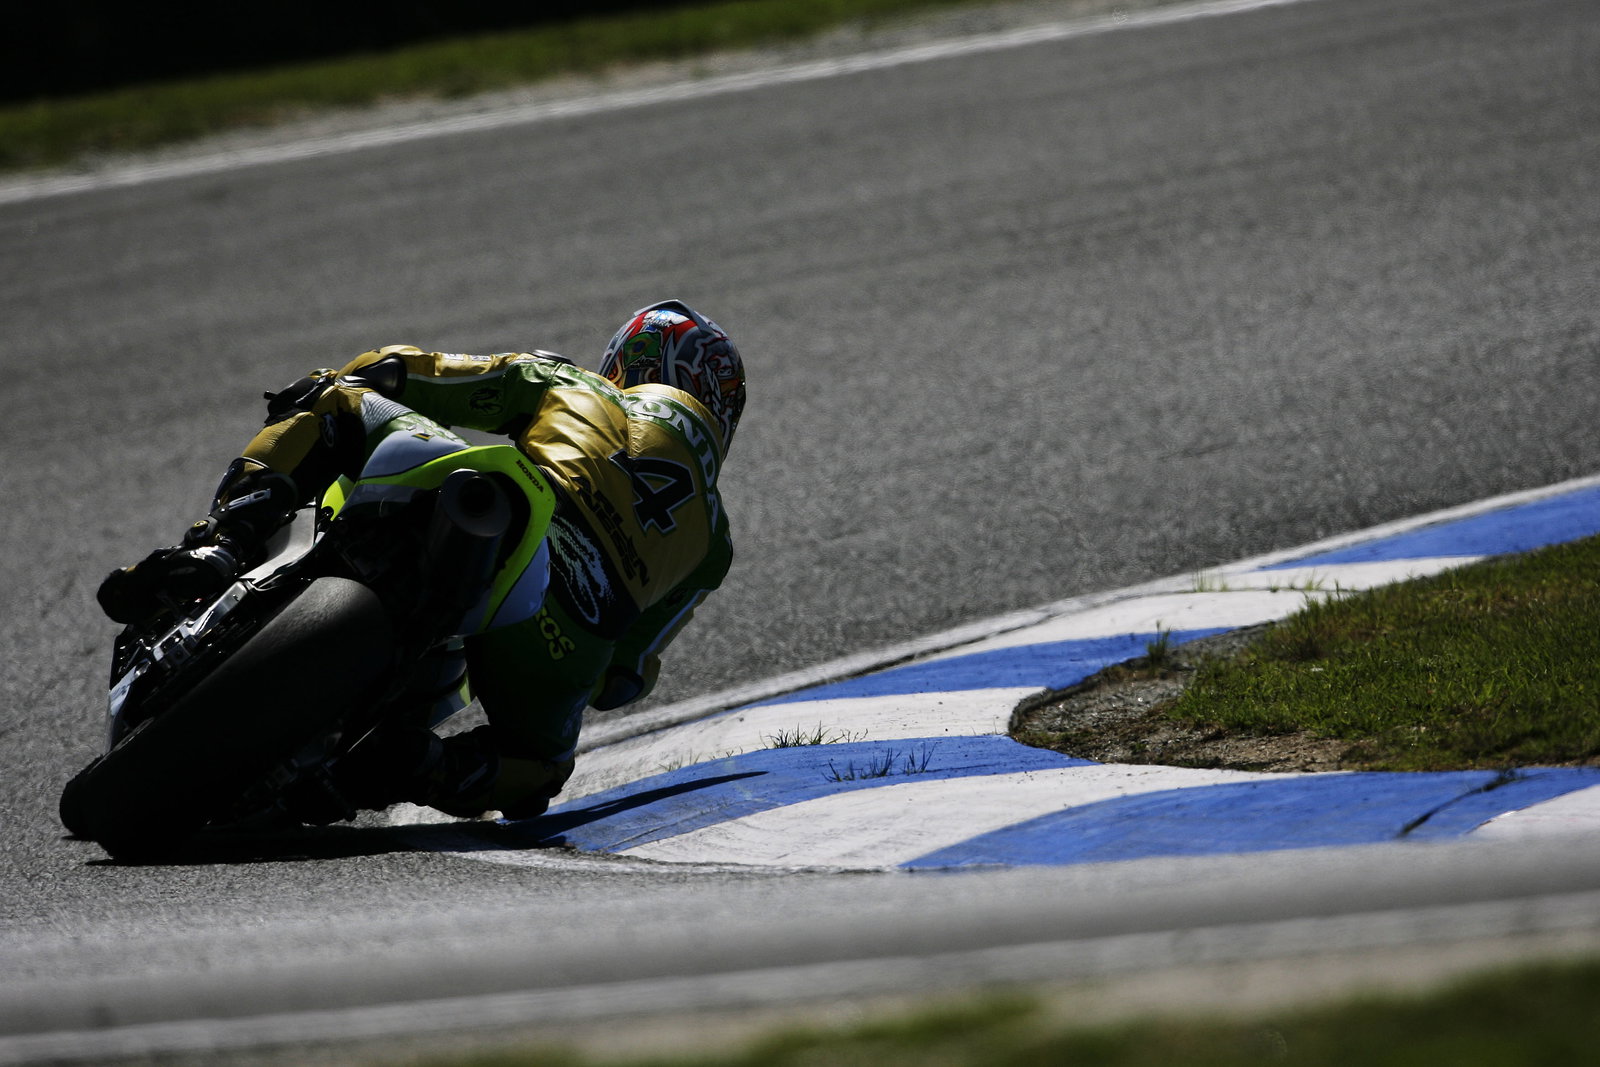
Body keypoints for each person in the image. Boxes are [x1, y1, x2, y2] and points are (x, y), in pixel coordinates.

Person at [96, 300, 745, 821]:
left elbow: (414, 371)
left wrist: (364, 375)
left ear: (629, 360)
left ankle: (224, 540)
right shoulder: (714, 542)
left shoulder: (578, 385)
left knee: (335, 398)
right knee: (543, 766)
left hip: (516, 507)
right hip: (561, 644)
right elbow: (624, 681)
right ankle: (423, 765)